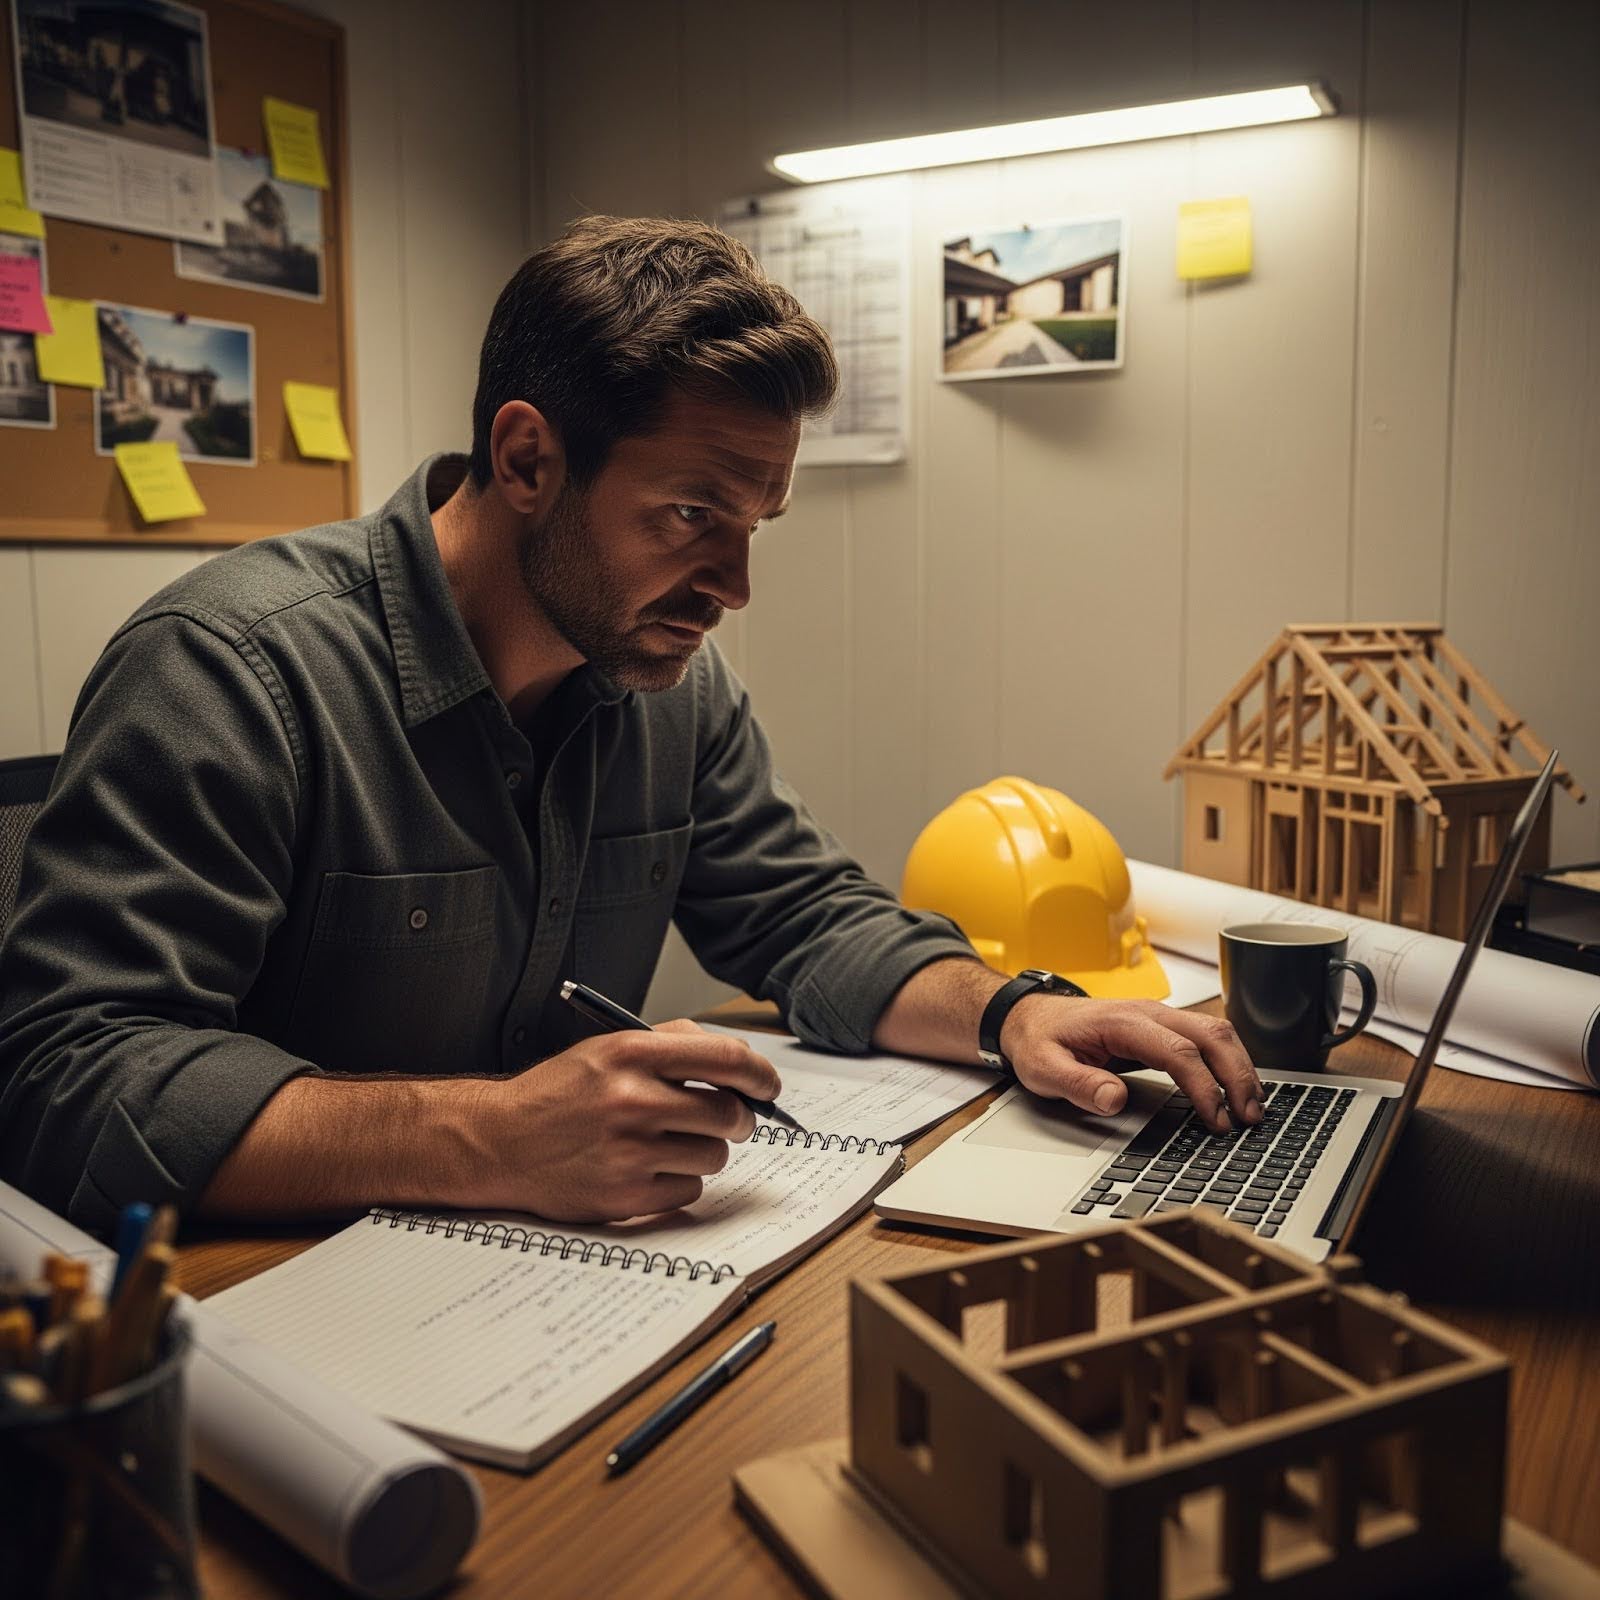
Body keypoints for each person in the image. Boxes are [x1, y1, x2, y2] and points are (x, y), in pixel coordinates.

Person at [0, 217, 1262, 1235]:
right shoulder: (231, 670)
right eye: (690, 516)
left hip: (545, 1282)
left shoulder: (670, 684)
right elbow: (67, 1077)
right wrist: (489, 1137)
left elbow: (806, 914)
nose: (734, 587)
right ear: (526, 460)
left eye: (754, 525)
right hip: (254, 1322)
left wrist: (1013, 1013)